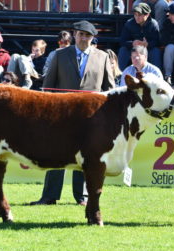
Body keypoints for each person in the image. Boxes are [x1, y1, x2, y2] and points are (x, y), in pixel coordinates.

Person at [30, 20, 115, 206]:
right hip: (61, 116)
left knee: (86, 157)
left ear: (93, 38)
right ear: (74, 35)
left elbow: (110, 89)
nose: (83, 38)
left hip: (91, 118)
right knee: (55, 154)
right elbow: (48, 86)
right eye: (80, 34)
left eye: (88, 35)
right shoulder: (60, 55)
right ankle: (49, 196)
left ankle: (82, 197)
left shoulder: (102, 57)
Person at [118, 3, 162, 71]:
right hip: (132, 49)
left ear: (147, 15)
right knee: (123, 50)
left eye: (139, 15)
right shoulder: (129, 23)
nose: (137, 17)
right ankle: (119, 75)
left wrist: (147, 44)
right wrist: (132, 43)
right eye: (135, 15)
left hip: (148, 49)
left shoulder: (153, 24)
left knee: (156, 51)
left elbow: (157, 42)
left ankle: (158, 75)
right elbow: (123, 41)